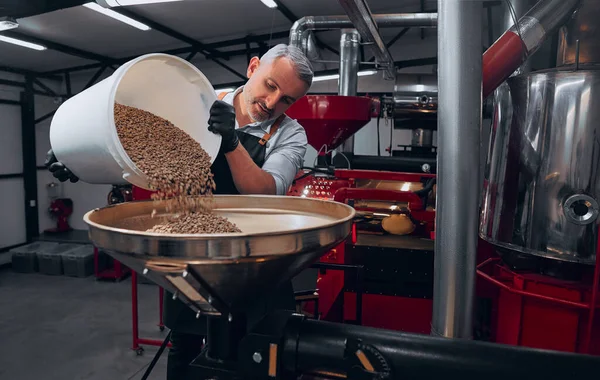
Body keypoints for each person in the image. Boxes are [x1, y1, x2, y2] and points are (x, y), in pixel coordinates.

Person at [45, 43, 314, 379]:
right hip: (192, 258)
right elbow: (137, 153)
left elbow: (266, 190)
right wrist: (81, 159)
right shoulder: (196, 103)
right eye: (271, 85)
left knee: (258, 355)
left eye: (287, 99)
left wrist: (230, 142)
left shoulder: (291, 134)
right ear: (253, 67)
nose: (272, 103)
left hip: (255, 267)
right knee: (185, 351)